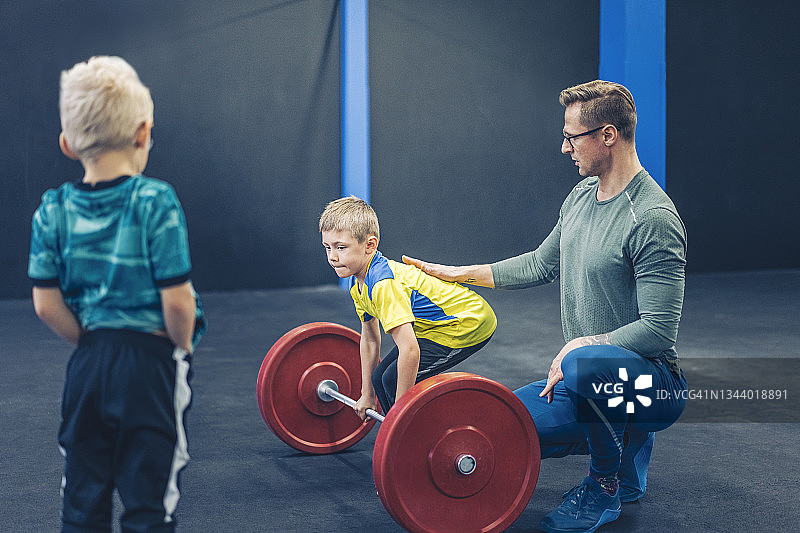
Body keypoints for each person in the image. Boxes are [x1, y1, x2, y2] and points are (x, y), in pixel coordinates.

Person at [403, 80, 688, 533]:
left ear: (607, 135)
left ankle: (604, 484)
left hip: (653, 387)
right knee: (500, 424)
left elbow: (657, 331)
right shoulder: (580, 197)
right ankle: (624, 442)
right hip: (590, 381)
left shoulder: (653, 219)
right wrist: (459, 273)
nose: (564, 147)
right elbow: (539, 264)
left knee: (583, 363)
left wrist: (582, 344)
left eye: (572, 137)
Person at [28, 56, 206, 532]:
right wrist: (180, 347)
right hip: (149, 365)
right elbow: (176, 300)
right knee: (150, 498)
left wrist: (93, 340)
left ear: (68, 144)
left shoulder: (52, 209)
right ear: (143, 133)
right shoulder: (155, 200)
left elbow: (46, 305)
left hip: (87, 366)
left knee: (82, 498)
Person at [318, 196, 497, 417]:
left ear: (370, 246)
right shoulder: (359, 282)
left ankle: (416, 435)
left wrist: (402, 415)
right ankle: (400, 436)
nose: (332, 257)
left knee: (394, 382)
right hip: (431, 327)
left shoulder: (384, 285)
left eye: (341, 247)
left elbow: (410, 350)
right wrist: (367, 395)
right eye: (327, 248)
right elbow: (371, 339)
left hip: (466, 323)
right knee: (379, 379)